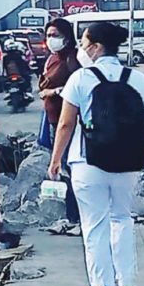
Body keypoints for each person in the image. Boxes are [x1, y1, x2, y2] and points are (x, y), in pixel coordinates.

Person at [48, 22, 144, 286]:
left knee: (94, 227)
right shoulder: (136, 78)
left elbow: (65, 125)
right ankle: (127, 283)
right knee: (122, 218)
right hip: (128, 161)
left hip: (87, 163)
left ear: (97, 47)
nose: (82, 50)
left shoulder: (81, 79)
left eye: (85, 44)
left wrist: (55, 161)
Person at [38, 18, 81, 226]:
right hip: (53, 118)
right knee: (64, 167)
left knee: (66, 167)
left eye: (55, 35)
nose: (51, 39)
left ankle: (75, 215)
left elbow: (77, 87)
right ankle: (72, 214)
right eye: (48, 35)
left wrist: (53, 91)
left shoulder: (72, 60)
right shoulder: (52, 59)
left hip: (67, 120)